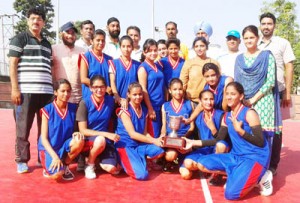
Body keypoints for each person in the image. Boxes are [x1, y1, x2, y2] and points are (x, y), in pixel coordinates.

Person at [188, 82, 273, 200]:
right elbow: (218, 139)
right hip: (236, 156)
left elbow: (260, 141)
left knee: (231, 195)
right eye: (227, 94)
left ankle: (262, 177)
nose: (228, 97)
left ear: (241, 96)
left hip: (254, 158)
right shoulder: (226, 116)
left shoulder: (250, 113)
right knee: (202, 163)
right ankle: (237, 175)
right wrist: (192, 142)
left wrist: (240, 131)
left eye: (233, 94)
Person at [8, 7, 53, 173]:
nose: (36, 22)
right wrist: (14, 89)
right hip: (26, 91)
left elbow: (50, 68)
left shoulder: (48, 44)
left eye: (39, 19)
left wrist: (53, 88)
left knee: (45, 128)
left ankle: (43, 157)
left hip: (46, 93)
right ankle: (22, 160)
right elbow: (12, 64)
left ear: (43, 22)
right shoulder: (20, 39)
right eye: (33, 18)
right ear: (28, 20)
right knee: (23, 127)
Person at [235, 25, 282, 156]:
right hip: (244, 100)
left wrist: (253, 99)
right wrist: (243, 99)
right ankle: (249, 161)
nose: (249, 41)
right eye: (246, 38)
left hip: (264, 99)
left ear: (258, 38)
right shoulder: (239, 58)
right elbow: (237, 82)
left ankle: (266, 164)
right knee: (246, 130)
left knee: (263, 133)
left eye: (252, 37)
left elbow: (271, 81)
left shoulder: (267, 56)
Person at [258, 12, 295, 175]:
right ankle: (260, 161)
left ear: (274, 25)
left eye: (269, 23)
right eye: (264, 23)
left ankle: (273, 165)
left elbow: (289, 67)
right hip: (259, 94)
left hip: (277, 92)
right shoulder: (255, 43)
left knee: (276, 130)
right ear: (260, 25)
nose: (266, 26)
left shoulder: (282, 43)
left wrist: (287, 92)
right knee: (259, 129)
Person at [115, 82, 165, 180]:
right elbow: (132, 134)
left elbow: (145, 133)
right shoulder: (125, 110)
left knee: (159, 151)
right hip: (125, 146)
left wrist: (157, 140)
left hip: (138, 145)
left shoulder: (144, 110)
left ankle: (139, 160)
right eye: (134, 94)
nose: (138, 97)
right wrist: (154, 141)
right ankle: (122, 160)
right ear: (128, 94)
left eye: (140, 94)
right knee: (142, 175)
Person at [38, 79, 84, 181]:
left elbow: (77, 128)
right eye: (62, 91)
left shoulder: (73, 108)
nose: (66, 94)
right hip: (49, 149)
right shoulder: (47, 110)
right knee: (57, 175)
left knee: (79, 140)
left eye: (68, 91)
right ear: (55, 92)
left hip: (64, 147)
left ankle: (65, 165)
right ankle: (48, 167)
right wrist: (54, 156)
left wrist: (77, 132)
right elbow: (44, 139)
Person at [76, 75, 120, 179]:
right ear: (91, 88)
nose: (99, 90)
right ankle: (89, 164)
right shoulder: (85, 103)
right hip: (89, 140)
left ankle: (98, 159)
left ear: (106, 87)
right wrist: (106, 134)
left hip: (105, 141)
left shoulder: (110, 101)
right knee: (100, 140)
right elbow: (83, 130)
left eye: (102, 87)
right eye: (95, 87)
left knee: (112, 169)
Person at [181, 89, 228, 182]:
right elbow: (194, 136)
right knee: (187, 165)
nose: (209, 102)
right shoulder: (198, 117)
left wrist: (213, 128)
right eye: (205, 99)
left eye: (211, 99)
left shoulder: (221, 115)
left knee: (221, 145)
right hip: (204, 149)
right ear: (200, 101)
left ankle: (216, 173)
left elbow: (221, 139)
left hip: (217, 149)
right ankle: (206, 168)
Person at [160, 78, 194, 173]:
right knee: (170, 155)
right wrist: (163, 137)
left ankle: (181, 160)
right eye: (175, 89)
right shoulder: (165, 106)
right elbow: (164, 126)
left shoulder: (189, 104)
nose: (178, 92)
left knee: (186, 174)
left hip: (185, 139)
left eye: (180, 89)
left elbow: (192, 127)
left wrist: (183, 139)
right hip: (171, 140)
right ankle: (169, 160)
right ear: (170, 90)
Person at [52, 21, 85, 104]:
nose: (70, 36)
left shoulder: (83, 51)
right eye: (67, 32)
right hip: (59, 98)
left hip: (78, 98)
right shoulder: (53, 49)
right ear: (61, 34)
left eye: (73, 33)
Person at [180, 37, 220, 104]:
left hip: (210, 102)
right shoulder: (189, 63)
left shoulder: (214, 63)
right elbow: (183, 83)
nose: (199, 48)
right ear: (194, 48)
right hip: (192, 102)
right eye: (196, 46)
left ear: (206, 47)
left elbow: (219, 82)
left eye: (202, 46)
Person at [138, 39, 165, 138]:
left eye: (155, 50)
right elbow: (143, 89)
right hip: (151, 105)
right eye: (150, 51)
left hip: (161, 105)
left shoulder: (158, 66)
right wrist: (150, 108)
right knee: (155, 134)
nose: (153, 53)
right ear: (144, 52)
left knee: (163, 133)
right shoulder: (143, 68)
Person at [79, 29, 113, 98]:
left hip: (106, 98)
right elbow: (83, 79)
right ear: (91, 41)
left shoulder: (109, 59)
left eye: (103, 40)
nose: (101, 43)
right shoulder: (86, 57)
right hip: (90, 97)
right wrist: (103, 87)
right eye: (98, 40)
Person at [109, 35, 140, 109]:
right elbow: (112, 82)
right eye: (123, 46)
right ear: (120, 47)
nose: (126, 49)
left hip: (133, 102)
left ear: (132, 48)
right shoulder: (113, 63)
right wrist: (117, 97)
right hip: (117, 102)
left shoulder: (138, 65)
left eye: (129, 46)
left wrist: (130, 99)